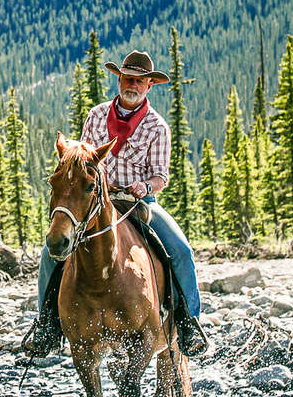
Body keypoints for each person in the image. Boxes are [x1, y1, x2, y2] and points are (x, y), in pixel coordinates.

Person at [19, 48, 207, 362]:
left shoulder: (157, 127)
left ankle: (189, 324)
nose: (132, 85)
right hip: (97, 200)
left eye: (139, 81)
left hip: (138, 203)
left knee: (181, 249)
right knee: (50, 253)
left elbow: (161, 176)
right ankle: (47, 326)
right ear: (119, 80)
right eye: (127, 79)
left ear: (149, 86)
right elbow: (81, 162)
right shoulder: (96, 115)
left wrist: (143, 186)